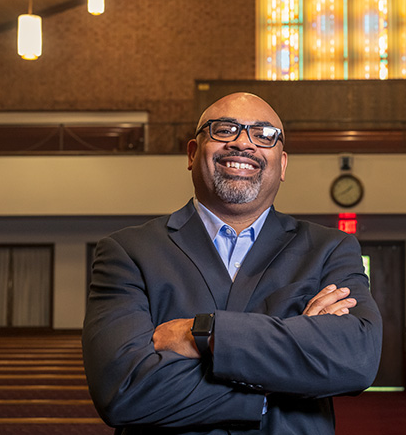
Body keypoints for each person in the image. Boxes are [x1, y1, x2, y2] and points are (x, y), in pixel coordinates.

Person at [82, 92, 383, 435]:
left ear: (282, 164)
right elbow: (122, 393)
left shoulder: (330, 249)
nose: (243, 143)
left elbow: (357, 360)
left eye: (264, 134)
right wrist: (284, 373)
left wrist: (203, 334)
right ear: (193, 153)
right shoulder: (127, 252)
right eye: (224, 130)